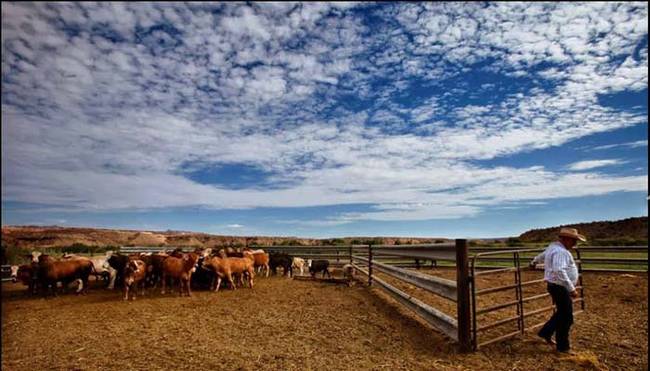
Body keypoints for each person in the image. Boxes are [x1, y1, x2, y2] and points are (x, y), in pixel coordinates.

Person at [529, 227, 586, 353]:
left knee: (561, 313)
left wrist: (534, 261)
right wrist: (571, 289)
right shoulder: (561, 252)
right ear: (566, 239)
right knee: (567, 318)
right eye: (573, 241)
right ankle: (563, 347)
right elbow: (559, 270)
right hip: (560, 287)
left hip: (555, 286)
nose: (575, 244)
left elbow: (542, 255)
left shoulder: (553, 247)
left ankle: (545, 333)